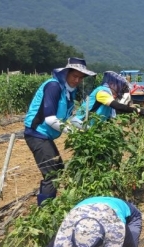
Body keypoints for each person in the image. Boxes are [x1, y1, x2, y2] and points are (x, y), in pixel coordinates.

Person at [23, 57, 96, 206]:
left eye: (80, 78)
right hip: (37, 134)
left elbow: (71, 117)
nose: (77, 80)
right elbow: (50, 119)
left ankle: (50, 204)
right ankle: (45, 210)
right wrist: (74, 133)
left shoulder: (69, 92)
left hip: (46, 136)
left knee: (59, 169)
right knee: (52, 173)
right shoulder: (53, 86)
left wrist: (89, 130)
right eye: (74, 76)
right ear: (66, 73)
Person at [74, 71, 144, 126]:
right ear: (111, 84)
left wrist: (133, 111)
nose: (119, 88)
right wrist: (138, 110)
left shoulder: (107, 93)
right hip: (82, 123)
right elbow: (117, 106)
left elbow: (117, 109)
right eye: (118, 85)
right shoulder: (102, 92)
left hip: (91, 124)